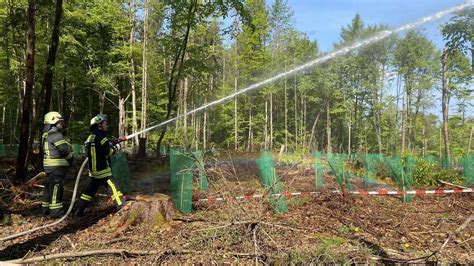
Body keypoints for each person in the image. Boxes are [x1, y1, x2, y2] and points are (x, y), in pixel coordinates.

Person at [74, 114, 124, 216]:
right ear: (99, 125)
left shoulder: (90, 137)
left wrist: (111, 142)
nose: (107, 125)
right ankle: (121, 206)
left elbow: (98, 147)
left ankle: (79, 209)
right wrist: (117, 147)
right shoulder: (101, 136)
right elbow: (108, 152)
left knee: (89, 191)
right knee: (113, 186)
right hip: (103, 170)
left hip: (93, 171)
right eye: (105, 123)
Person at [41, 111, 73, 218]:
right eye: (60, 122)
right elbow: (63, 150)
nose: (61, 124)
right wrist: (71, 158)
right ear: (53, 122)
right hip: (57, 167)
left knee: (48, 188)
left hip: (48, 166)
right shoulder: (56, 135)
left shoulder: (45, 135)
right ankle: (56, 212)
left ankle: (45, 209)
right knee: (56, 188)